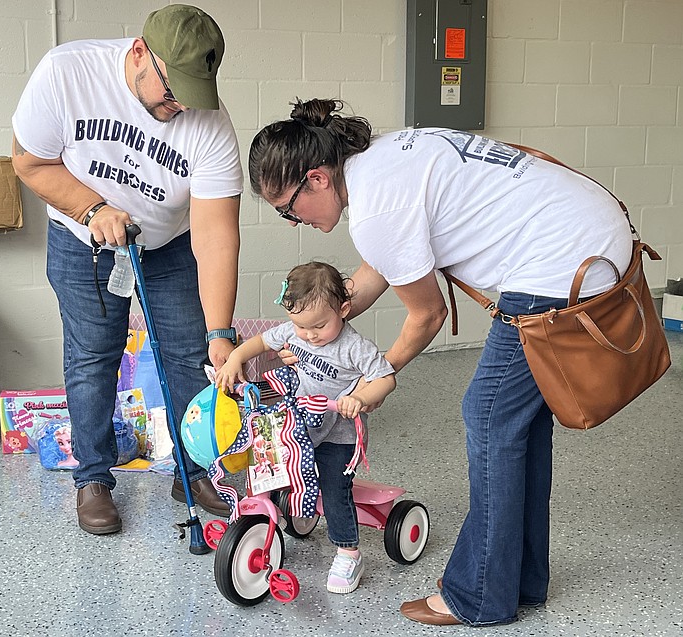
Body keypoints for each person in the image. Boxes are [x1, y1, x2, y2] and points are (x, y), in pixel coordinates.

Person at [247, 99, 633, 624]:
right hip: (588, 229)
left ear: (315, 178)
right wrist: (318, 323)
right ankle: (519, 579)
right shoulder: (375, 161)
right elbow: (379, 268)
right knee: (517, 422)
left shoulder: (376, 209)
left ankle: (478, 595)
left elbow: (426, 315)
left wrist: (370, 378)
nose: (292, 221)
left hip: (562, 257)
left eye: (288, 207)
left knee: (489, 414)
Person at [11, 4, 242, 535]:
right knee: (94, 355)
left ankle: (194, 471)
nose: (180, 104)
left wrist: (221, 330)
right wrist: (92, 209)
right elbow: (29, 161)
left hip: (169, 244)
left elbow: (215, 233)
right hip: (82, 237)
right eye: (172, 88)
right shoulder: (67, 73)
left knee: (191, 355)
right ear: (139, 52)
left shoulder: (209, 124)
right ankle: (92, 478)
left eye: (192, 92)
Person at [216, 262, 397, 594]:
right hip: (298, 422)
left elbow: (385, 377)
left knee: (333, 489)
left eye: (319, 325)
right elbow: (257, 343)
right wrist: (233, 360)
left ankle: (348, 551)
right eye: (301, 326)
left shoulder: (353, 346)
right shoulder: (292, 331)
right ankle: (269, 515)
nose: (310, 335)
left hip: (339, 433)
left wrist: (360, 397)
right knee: (269, 465)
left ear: (343, 309)